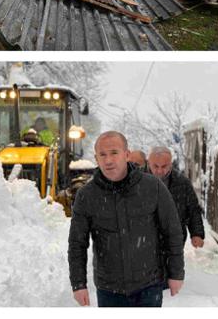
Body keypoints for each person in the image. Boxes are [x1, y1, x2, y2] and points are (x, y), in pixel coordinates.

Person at [68, 131, 184, 308]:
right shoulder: (86, 195)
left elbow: (172, 231)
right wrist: (78, 284)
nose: (108, 160)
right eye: (102, 155)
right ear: (96, 158)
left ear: (127, 154)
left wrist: (176, 273)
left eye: (114, 153)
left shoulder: (152, 187)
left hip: (148, 285)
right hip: (109, 290)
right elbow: (77, 243)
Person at [147, 146, 205, 248]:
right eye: (155, 166)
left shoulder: (182, 183)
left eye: (164, 166)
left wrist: (197, 234)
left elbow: (193, 210)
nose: (159, 171)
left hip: (173, 240)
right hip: (143, 240)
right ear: (148, 163)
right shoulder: (136, 180)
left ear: (170, 164)